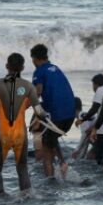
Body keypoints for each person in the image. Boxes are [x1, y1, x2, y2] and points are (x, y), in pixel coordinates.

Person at [0, 53, 49, 195]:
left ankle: (1, 196)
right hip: (20, 134)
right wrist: (45, 116)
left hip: (3, 133)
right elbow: (39, 111)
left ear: (6, 66)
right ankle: (26, 198)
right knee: (22, 168)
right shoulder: (28, 86)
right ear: (22, 68)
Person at [30, 44, 76, 178]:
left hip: (57, 116)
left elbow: (37, 93)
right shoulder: (56, 68)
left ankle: (51, 180)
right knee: (50, 137)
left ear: (34, 58)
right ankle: (62, 161)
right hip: (70, 114)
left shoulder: (39, 71)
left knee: (46, 151)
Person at [79, 69, 103, 166]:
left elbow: (94, 109)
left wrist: (82, 119)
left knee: (100, 158)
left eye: (93, 85)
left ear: (96, 84)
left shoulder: (100, 90)